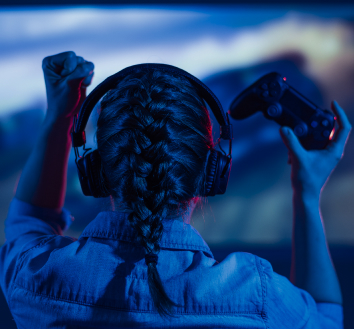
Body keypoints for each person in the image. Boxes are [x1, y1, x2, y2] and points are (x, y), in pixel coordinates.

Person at [0, 51, 351, 329]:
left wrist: (60, 114)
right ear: (212, 173)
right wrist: (307, 190)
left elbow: (28, 220)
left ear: (95, 170)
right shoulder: (258, 294)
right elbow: (327, 319)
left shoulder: (35, 276)